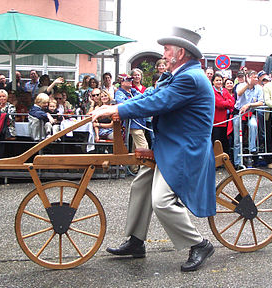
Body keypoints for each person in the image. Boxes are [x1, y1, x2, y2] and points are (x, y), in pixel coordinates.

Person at [90, 26, 216, 272]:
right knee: (141, 185)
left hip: (185, 149)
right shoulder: (177, 75)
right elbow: (147, 96)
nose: (164, 54)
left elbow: (158, 102)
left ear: (180, 53)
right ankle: (136, 242)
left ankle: (199, 244)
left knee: (162, 201)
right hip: (170, 145)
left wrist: (115, 110)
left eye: (167, 49)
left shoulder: (190, 78)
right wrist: (116, 107)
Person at [233, 71, 264, 169]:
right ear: (249, 77)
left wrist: (249, 104)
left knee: (253, 125)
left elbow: (261, 102)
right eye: (254, 77)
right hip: (239, 113)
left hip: (251, 113)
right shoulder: (240, 85)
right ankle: (237, 162)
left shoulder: (259, 88)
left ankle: (252, 148)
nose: (256, 79)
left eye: (256, 77)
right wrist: (247, 84)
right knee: (237, 139)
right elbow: (239, 93)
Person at [212, 72, 235, 155]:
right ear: (213, 82)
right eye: (217, 80)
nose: (219, 82)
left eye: (220, 80)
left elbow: (232, 102)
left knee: (225, 142)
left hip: (225, 121)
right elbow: (218, 104)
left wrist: (226, 103)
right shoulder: (212, 91)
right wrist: (227, 102)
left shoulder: (224, 90)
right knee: (215, 142)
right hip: (216, 122)